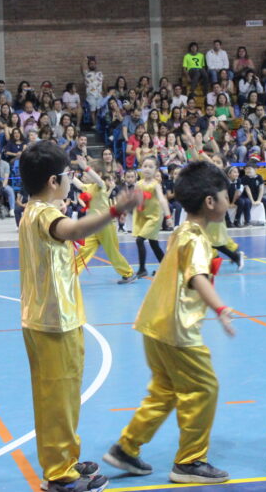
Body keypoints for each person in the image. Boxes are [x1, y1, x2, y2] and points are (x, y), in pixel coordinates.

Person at [17, 140, 143, 492]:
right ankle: (59, 473)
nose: (71, 180)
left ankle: (67, 458)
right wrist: (115, 210)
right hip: (52, 322)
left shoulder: (34, 211)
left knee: (66, 395)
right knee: (57, 399)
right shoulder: (44, 215)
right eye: (68, 174)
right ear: (54, 181)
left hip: (59, 319)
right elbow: (73, 231)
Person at [102, 161, 236, 484]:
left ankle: (126, 447)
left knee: (165, 390)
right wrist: (219, 308)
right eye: (225, 196)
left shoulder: (181, 231)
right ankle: (190, 462)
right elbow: (198, 277)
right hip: (179, 329)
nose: (229, 201)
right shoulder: (196, 239)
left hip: (154, 324)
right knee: (204, 388)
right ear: (210, 202)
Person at [73, 156, 137, 284]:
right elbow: (78, 184)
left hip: (105, 225)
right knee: (84, 250)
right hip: (93, 226)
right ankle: (71, 273)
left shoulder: (101, 185)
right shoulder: (89, 187)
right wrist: (67, 174)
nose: (85, 174)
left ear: (99, 174)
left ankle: (128, 273)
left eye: (88, 172)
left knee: (112, 251)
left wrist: (86, 167)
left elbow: (98, 180)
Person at [133, 157, 171, 278]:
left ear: (156, 170)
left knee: (139, 240)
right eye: (145, 166)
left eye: (151, 167)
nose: (147, 169)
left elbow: (162, 200)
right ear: (141, 168)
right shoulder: (138, 184)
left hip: (154, 217)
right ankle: (167, 267)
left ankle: (142, 269)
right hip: (143, 216)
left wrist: (168, 216)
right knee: (153, 243)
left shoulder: (156, 185)